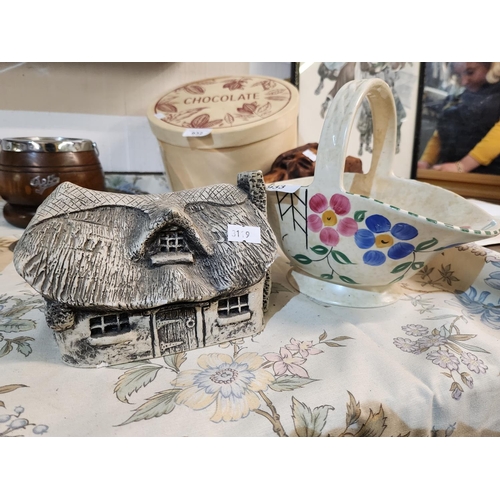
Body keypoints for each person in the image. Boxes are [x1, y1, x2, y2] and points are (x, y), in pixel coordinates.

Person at [418, 62, 500, 174]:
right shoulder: (459, 98)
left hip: (486, 181)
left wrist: (463, 166)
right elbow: (440, 134)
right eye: (458, 75)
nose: (464, 81)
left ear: (492, 66)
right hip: (454, 176)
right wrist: (426, 162)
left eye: (470, 72)